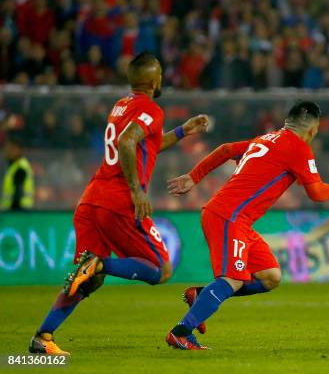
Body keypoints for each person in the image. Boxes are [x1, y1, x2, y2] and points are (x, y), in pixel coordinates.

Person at [29, 52, 209, 355]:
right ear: (153, 80)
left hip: (91, 200)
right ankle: (98, 263)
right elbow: (127, 142)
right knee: (160, 269)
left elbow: (144, 144)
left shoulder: (121, 106)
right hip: (118, 202)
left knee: (89, 281)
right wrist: (137, 190)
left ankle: (43, 337)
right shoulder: (150, 108)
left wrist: (182, 132)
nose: (162, 79)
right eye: (161, 75)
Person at [164, 101, 329, 350]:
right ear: (312, 129)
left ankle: (201, 296)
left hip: (238, 220)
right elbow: (318, 193)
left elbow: (225, 150)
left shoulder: (265, 139)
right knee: (232, 280)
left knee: (270, 277)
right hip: (228, 217)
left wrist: (194, 176)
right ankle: (180, 332)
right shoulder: (297, 148)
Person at [1, 137, 35, 211]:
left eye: (10, 149)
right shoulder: (14, 166)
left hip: (18, 212)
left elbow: (18, 193)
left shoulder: (20, 168)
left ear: (17, 150)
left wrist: (13, 212)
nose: (7, 151)